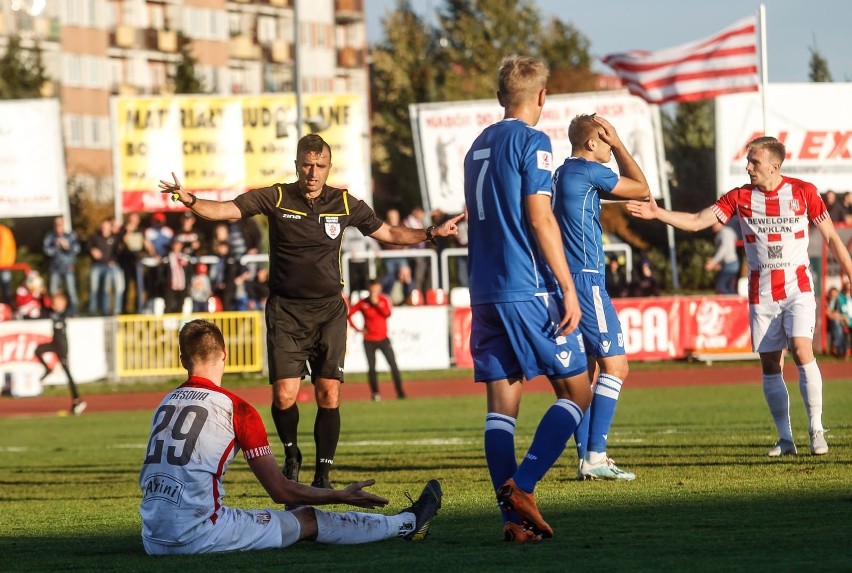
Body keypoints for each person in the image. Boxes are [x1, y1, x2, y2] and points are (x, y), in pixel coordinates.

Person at [159, 133, 462, 492]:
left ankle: (323, 473)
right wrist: (188, 198)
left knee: (328, 395)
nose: (313, 172)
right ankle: (292, 454)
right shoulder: (276, 196)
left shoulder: (345, 202)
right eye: (307, 165)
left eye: (319, 166)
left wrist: (431, 232)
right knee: (284, 396)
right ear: (297, 164)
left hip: (329, 312)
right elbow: (227, 209)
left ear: (328, 167)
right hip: (285, 311)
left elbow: (388, 233)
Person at [627, 136, 852, 457]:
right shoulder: (739, 197)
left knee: (802, 350)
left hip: (797, 288)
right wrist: (658, 213)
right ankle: (785, 438)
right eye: (748, 162)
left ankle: (816, 428)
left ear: (775, 166)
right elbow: (696, 222)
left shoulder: (804, 192)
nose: (748, 167)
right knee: (771, 364)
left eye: (754, 162)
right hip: (762, 294)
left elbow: (831, 237)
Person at [138, 319, 442, 555]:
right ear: (225, 354)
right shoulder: (238, 409)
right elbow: (280, 491)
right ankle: (407, 524)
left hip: (151, 537)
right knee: (308, 518)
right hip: (198, 535)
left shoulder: (163, 404)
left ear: (182, 360)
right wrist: (338, 495)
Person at [462, 55, 590, 542]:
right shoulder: (534, 141)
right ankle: (526, 486)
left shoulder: (477, 144)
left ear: (500, 97)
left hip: (483, 290)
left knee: (501, 405)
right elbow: (540, 217)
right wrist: (568, 286)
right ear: (542, 97)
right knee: (577, 391)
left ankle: (513, 524)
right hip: (526, 287)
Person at [551, 113, 650, 481]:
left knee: (585, 371)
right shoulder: (588, 171)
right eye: (605, 140)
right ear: (592, 143)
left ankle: (586, 461)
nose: (610, 145)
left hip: (564, 279)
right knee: (617, 366)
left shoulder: (561, 173)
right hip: (587, 279)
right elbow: (641, 188)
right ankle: (596, 455)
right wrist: (621, 144)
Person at [347, 279, 406, 401]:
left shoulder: (383, 300)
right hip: (369, 340)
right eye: (373, 288)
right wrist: (358, 329)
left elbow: (387, 313)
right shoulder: (363, 303)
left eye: (377, 288)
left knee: (393, 366)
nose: (374, 290)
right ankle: (375, 393)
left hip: (384, 339)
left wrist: (377, 303)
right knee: (372, 368)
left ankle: (400, 392)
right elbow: (349, 314)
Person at [33, 291, 86, 415]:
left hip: (62, 347)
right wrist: (41, 295)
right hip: (54, 344)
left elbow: (71, 307)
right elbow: (43, 308)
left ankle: (77, 399)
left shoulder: (65, 313)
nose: (54, 305)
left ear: (63, 303)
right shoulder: (52, 313)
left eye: (57, 302)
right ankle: (48, 369)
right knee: (38, 350)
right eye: (54, 302)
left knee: (68, 373)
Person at [42, 216, 81, 316]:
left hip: (68, 267)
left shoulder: (71, 236)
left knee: (71, 290)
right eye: (57, 225)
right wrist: (56, 246)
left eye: (60, 225)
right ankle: (54, 312)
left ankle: (74, 312)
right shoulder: (50, 236)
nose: (59, 227)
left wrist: (67, 246)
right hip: (54, 268)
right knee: (53, 291)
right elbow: (46, 250)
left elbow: (77, 249)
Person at [86, 217, 122, 316]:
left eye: (107, 227)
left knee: (107, 288)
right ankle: (92, 310)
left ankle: (107, 311)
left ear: (111, 227)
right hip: (97, 266)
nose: (104, 229)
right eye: (103, 226)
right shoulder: (95, 237)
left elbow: (118, 251)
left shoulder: (115, 238)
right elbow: (87, 246)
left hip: (109, 266)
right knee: (94, 288)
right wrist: (92, 250)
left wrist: (113, 260)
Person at [706, 220, 740, 295]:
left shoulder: (725, 232)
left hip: (730, 264)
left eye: (714, 224)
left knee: (721, 286)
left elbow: (724, 249)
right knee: (728, 287)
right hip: (729, 263)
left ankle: (733, 302)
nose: (712, 226)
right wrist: (719, 264)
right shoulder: (723, 232)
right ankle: (734, 303)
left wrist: (714, 262)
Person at [825, 286, 847, 357]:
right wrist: (839, 316)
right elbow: (828, 315)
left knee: (839, 325)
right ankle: (838, 347)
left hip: (837, 322)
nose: (833, 295)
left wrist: (839, 316)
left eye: (835, 293)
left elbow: (838, 313)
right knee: (837, 323)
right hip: (828, 323)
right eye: (832, 293)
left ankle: (839, 347)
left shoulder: (838, 301)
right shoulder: (826, 301)